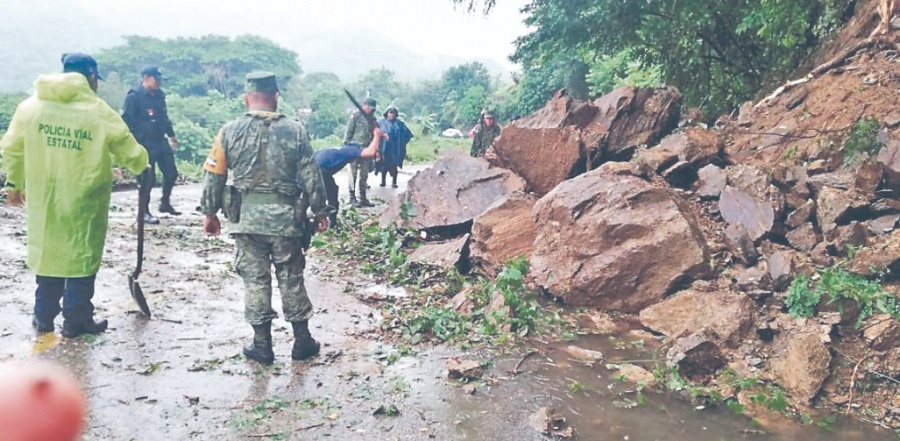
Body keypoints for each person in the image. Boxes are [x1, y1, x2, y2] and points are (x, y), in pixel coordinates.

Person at [0, 53, 149, 337]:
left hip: (44, 197)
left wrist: (14, 183)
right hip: (85, 198)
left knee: (49, 253)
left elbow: (12, 148)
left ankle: (43, 317)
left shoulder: (31, 107)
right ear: (91, 76)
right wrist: (143, 165)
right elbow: (127, 147)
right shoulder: (98, 111)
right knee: (82, 256)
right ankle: (76, 320)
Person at [200, 72, 331, 365]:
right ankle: (302, 342)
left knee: (256, 281)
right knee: (291, 278)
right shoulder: (295, 131)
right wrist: (321, 212)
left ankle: (262, 345)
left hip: (246, 221)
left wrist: (209, 213)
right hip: (287, 222)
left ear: (247, 99)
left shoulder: (228, 131)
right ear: (276, 96)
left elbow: (214, 175)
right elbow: (312, 175)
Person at [122, 65, 180, 225]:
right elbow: (126, 121)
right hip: (144, 143)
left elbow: (164, 117)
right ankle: (143, 212)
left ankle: (165, 203)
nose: (159, 83)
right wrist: (133, 143)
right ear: (146, 78)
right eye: (157, 79)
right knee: (148, 179)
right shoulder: (134, 96)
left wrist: (172, 135)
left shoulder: (159, 95)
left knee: (171, 173)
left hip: (160, 141)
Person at [314, 126, 383, 228]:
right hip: (319, 170)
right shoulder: (351, 150)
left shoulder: (336, 150)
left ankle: (326, 220)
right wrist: (377, 136)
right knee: (327, 195)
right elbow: (370, 152)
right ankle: (329, 223)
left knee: (330, 190)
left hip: (310, 168)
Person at [344, 97, 377, 207]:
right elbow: (349, 131)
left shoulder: (372, 119)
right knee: (352, 174)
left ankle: (363, 198)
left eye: (371, 108)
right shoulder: (356, 116)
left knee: (364, 175)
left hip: (366, 149)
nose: (369, 110)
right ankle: (352, 197)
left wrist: (377, 151)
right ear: (364, 105)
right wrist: (346, 146)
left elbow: (374, 135)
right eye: (368, 107)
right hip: (354, 148)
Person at [376, 105, 413, 188]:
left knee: (394, 165)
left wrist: (402, 143)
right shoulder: (381, 123)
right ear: (387, 113)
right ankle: (383, 181)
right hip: (384, 148)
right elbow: (375, 133)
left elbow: (408, 134)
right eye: (390, 113)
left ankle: (394, 182)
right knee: (383, 165)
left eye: (394, 113)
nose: (392, 115)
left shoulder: (400, 124)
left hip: (395, 148)